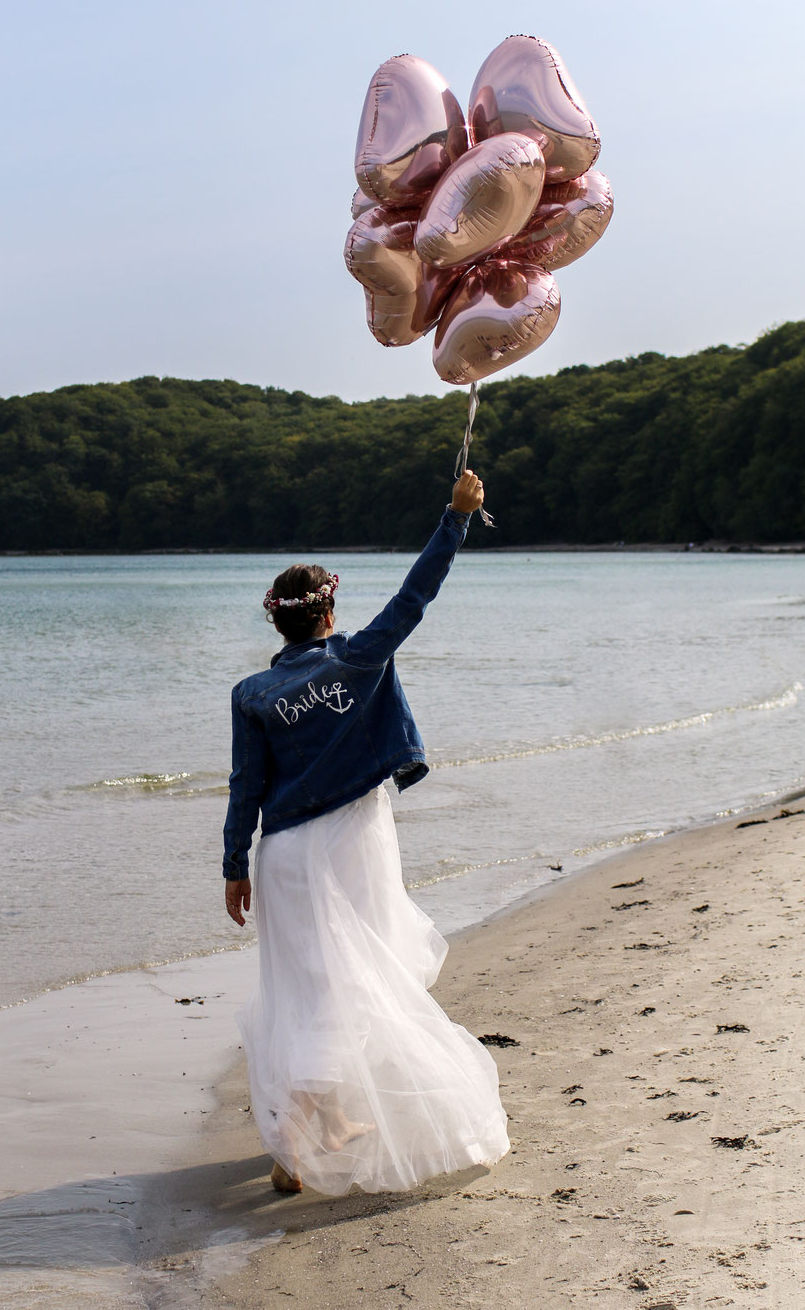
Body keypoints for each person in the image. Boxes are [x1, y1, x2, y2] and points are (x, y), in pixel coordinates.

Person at [222, 470, 509, 1196]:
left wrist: (234, 866)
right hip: (347, 839)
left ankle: (335, 1120)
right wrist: (457, 517)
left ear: (277, 622)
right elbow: (415, 598)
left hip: (280, 854)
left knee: (307, 986)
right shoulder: (356, 657)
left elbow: (245, 786)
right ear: (327, 612)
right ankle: (290, 1138)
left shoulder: (252, 693)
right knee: (349, 985)